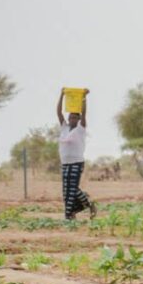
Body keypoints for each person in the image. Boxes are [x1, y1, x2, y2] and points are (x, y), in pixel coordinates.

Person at [56, 90, 97, 221]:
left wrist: (84, 98)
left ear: (79, 119)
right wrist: (62, 95)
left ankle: (70, 216)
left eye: (75, 117)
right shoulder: (64, 128)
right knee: (66, 191)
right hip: (65, 163)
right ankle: (77, 210)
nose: (72, 119)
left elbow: (84, 113)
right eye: (71, 117)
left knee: (72, 189)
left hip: (76, 162)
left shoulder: (81, 129)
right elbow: (58, 112)